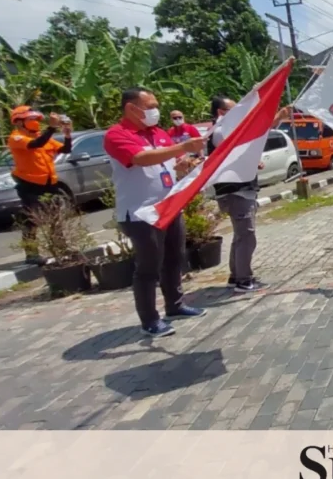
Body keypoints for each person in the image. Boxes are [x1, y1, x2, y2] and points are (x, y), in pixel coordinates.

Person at [104, 88, 207, 337]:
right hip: (141, 212)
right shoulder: (117, 135)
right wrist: (182, 147)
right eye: (150, 106)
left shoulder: (158, 133)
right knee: (149, 267)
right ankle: (149, 320)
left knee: (174, 258)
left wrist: (184, 163)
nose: (155, 110)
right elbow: (140, 159)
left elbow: (169, 162)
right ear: (131, 108)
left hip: (169, 207)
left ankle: (175, 305)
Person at [208, 95, 292, 293]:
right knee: (247, 236)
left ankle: (236, 275)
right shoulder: (220, 131)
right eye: (233, 110)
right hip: (235, 191)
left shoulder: (226, 130)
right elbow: (245, 141)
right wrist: (277, 116)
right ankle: (244, 280)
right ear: (221, 113)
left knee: (240, 236)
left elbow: (244, 146)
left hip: (242, 189)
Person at [8, 106, 73, 264]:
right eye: (31, 120)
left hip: (49, 183)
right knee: (32, 219)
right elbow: (36, 144)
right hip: (29, 184)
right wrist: (51, 127)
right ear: (19, 122)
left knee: (55, 216)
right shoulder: (16, 137)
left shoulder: (42, 137)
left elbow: (65, 149)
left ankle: (61, 246)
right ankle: (31, 254)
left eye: (37, 120)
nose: (36, 123)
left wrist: (67, 135)